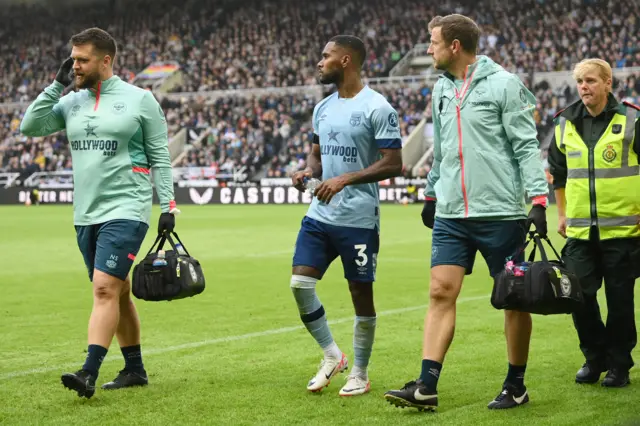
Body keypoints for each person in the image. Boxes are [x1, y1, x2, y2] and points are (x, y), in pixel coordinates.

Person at [384, 14, 549, 411]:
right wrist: (430, 193)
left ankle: (516, 385)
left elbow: (526, 146)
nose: (428, 49)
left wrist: (539, 200)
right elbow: (441, 150)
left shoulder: (505, 85)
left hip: (500, 213)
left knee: (513, 299)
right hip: (452, 214)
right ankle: (426, 385)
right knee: (440, 291)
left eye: (433, 42)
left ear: (454, 46)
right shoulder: (441, 89)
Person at [20, 27, 179, 399]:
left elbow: (161, 157)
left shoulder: (140, 100)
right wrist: (55, 87)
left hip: (127, 207)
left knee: (104, 288)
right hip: (85, 213)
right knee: (119, 292)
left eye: (81, 60)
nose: (74, 65)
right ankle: (135, 370)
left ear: (105, 60)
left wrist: (168, 206)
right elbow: (30, 127)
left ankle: (88, 372)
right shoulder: (70, 101)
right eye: (72, 59)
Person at [290, 35, 403, 397]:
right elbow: (316, 156)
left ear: (346, 60)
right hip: (320, 214)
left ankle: (360, 372)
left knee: (360, 294)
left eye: (326, 56)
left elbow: (394, 163)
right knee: (300, 285)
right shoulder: (322, 108)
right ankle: (331, 355)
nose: (319, 62)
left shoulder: (378, 107)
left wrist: (344, 179)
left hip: (358, 219)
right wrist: (307, 172)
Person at [548, 58, 640, 388]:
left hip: (623, 231)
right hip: (580, 231)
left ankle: (619, 365)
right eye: (580, 82)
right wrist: (561, 214)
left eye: (590, 81)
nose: (584, 87)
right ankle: (594, 355)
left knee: (619, 304)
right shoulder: (563, 123)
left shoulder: (631, 119)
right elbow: (557, 174)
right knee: (577, 296)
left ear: (607, 84)